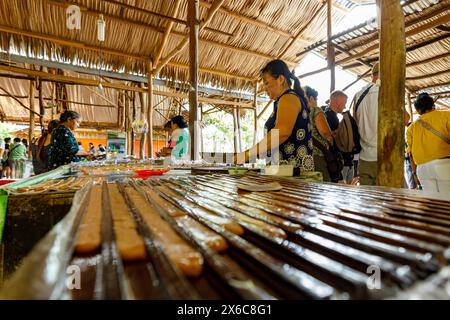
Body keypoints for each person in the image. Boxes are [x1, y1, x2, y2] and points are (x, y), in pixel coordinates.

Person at [234, 59, 314, 175]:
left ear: (281, 79)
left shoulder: (288, 98)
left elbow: (281, 133)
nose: (265, 88)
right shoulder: (283, 100)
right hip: (286, 171)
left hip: (293, 173)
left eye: (267, 83)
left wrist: (247, 154)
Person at [407, 93, 450, 193]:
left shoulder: (411, 128)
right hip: (444, 164)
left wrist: (414, 173)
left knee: (431, 204)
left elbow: (410, 155)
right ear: (432, 105)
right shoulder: (446, 116)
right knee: (447, 204)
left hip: (422, 170)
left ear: (418, 110)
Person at [352, 63, 380, 185]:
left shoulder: (358, 95)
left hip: (364, 157)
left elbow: (355, 121)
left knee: (367, 201)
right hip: (384, 157)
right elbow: (405, 119)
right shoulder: (387, 92)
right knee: (391, 201)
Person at [304, 86, 333, 182]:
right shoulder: (316, 110)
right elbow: (325, 132)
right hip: (316, 154)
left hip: (304, 156)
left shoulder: (300, 112)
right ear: (312, 98)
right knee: (323, 184)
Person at [325, 90, 348, 182]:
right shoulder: (331, 117)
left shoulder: (328, 114)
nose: (345, 106)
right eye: (344, 103)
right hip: (331, 159)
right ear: (338, 102)